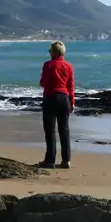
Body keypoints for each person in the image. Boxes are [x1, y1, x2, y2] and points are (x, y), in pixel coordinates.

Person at [39, 40, 74, 168]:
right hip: (64, 98)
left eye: (50, 51)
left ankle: (50, 160)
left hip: (50, 98)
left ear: (53, 52)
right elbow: (71, 86)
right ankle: (66, 161)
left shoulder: (48, 65)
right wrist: (72, 102)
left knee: (50, 131)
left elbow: (43, 83)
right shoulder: (69, 66)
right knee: (64, 130)